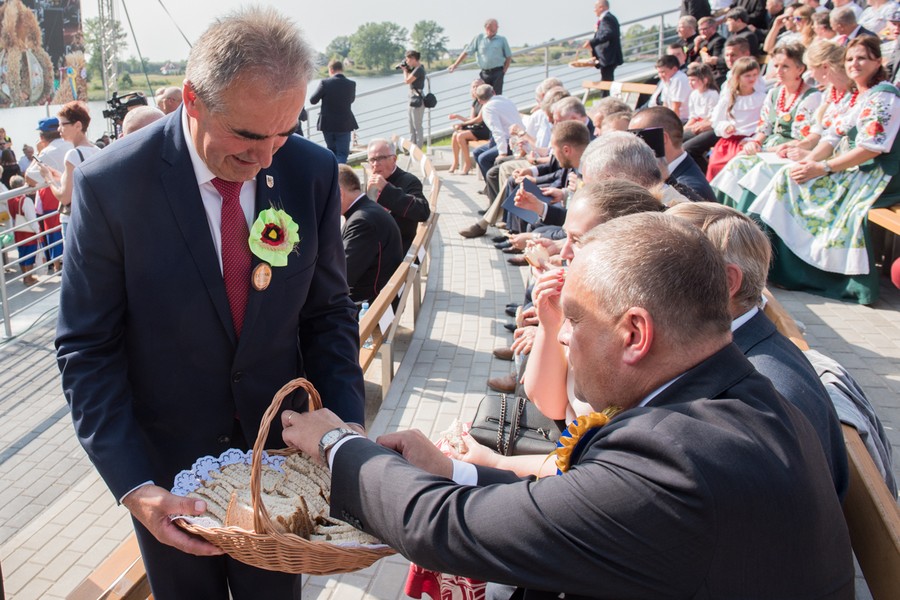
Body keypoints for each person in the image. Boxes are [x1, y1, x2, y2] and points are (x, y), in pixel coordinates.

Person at [282, 211, 854, 600]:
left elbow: (444, 528)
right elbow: (576, 504)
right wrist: (452, 470)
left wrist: (337, 442)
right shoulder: (736, 397)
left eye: (575, 321)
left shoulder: (679, 464)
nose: (560, 338)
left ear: (635, 333)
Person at [55, 8, 366, 599]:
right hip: (170, 479)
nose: (269, 158)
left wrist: (343, 433)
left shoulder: (312, 171)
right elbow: (87, 347)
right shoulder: (112, 186)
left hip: (282, 468)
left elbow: (327, 313)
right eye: (250, 136)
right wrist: (133, 486)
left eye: (284, 131)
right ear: (193, 101)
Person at [667, 201, 849, 498]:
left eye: (663, 272)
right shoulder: (739, 350)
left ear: (726, 283)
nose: (644, 285)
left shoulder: (762, 397)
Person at [747, 35, 900, 305]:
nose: (854, 64)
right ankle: (770, 259)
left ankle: (807, 273)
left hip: (879, 174)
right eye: (850, 58)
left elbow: (871, 148)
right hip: (854, 167)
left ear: (878, 61)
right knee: (791, 176)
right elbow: (831, 136)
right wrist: (811, 162)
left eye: (862, 58)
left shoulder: (884, 96)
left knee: (802, 185)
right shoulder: (861, 95)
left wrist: (823, 168)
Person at [711, 42, 821, 208]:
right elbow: (764, 128)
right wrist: (755, 142)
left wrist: (770, 148)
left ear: (800, 69)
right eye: (776, 65)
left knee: (757, 173)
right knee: (735, 165)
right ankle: (720, 213)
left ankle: (745, 221)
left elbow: (805, 137)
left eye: (785, 66)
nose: (778, 71)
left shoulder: (812, 97)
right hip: (770, 147)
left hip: (791, 151)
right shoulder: (774, 93)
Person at [337, 165, 403, 305]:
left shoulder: (362, 222)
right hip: (379, 300)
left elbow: (341, 276)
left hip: (371, 306)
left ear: (340, 194)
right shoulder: (367, 210)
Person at [38, 102, 100, 244]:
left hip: (73, 220)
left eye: (62, 124)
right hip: (93, 218)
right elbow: (84, 181)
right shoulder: (96, 150)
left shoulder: (72, 154)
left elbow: (64, 198)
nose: (59, 129)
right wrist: (59, 176)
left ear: (78, 126)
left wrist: (48, 178)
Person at [630, 106, 717, 201]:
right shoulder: (679, 175)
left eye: (637, 137)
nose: (631, 145)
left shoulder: (690, 188)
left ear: (662, 139)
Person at [705, 56, 766, 179]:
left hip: (750, 141)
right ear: (738, 77)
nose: (752, 79)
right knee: (715, 166)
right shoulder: (729, 97)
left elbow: (764, 123)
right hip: (730, 142)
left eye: (755, 75)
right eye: (748, 76)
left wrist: (753, 139)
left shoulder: (761, 98)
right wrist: (725, 127)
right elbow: (717, 120)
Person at [365, 138, 431, 252]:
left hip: (396, 249)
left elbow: (423, 211)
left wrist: (386, 189)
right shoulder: (372, 182)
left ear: (394, 159)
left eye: (381, 158)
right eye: (372, 160)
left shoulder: (409, 180)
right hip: (376, 243)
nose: (376, 164)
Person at [309, 59, 358, 164]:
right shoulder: (351, 84)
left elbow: (313, 100)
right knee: (343, 154)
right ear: (341, 69)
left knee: (332, 151)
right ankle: (340, 177)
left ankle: (334, 176)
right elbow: (351, 100)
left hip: (328, 125)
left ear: (331, 70)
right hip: (345, 124)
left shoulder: (325, 83)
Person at [448, 19, 512, 95]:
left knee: (496, 96)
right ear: (488, 27)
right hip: (484, 73)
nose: (498, 27)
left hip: (498, 72)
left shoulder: (502, 40)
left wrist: (504, 71)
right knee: (483, 95)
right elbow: (466, 52)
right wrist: (455, 65)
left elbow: (508, 56)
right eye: (496, 25)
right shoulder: (479, 38)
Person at [448, 79, 491, 175]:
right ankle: (455, 162)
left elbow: (479, 119)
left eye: (477, 86)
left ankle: (468, 164)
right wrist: (458, 117)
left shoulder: (485, 101)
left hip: (484, 129)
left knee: (460, 136)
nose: (475, 89)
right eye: (473, 86)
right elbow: (471, 120)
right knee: (455, 134)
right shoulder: (475, 102)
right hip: (476, 128)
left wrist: (462, 124)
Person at [6, 175, 39, 285]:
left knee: (22, 253)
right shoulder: (25, 200)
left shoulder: (10, 199)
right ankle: (28, 278)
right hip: (28, 231)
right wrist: (37, 231)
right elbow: (31, 218)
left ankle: (25, 276)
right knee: (30, 254)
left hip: (17, 229)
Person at [585, 0, 624, 82]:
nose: (594, 10)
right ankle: (605, 94)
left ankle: (606, 95)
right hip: (607, 57)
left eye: (596, 7)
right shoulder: (607, 19)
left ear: (602, 7)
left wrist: (592, 42)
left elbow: (608, 34)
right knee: (606, 80)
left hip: (608, 57)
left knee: (606, 81)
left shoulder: (607, 18)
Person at [652, 55, 692, 120]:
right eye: (659, 72)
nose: (660, 76)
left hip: (682, 119)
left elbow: (676, 107)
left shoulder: (679, 79)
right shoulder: (667, 80)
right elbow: (665, 105)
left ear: (674, 69)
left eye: (663, 72)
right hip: (672, 117)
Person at [402, 50, 427, 148]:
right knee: (411, 126)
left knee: (417, 126)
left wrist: (404, 71)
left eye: (407, 59)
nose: (406, 61)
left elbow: (407, 81)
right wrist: (407, 69)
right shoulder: (415, 69)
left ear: (413, 58)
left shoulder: (419, 69)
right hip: (412, 98)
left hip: (417, 99)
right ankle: (412, 148)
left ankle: (419, 150)